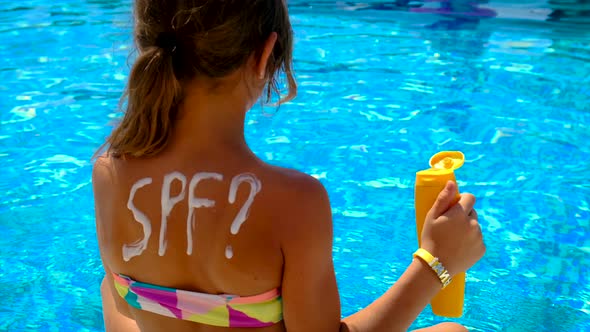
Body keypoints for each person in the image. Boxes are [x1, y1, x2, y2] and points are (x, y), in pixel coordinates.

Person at [92, 0, 486, 331]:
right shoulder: (294, 202)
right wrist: (438, 262)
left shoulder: (108, 171)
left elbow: (127, 311)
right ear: (264, 55)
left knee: (110, 290)